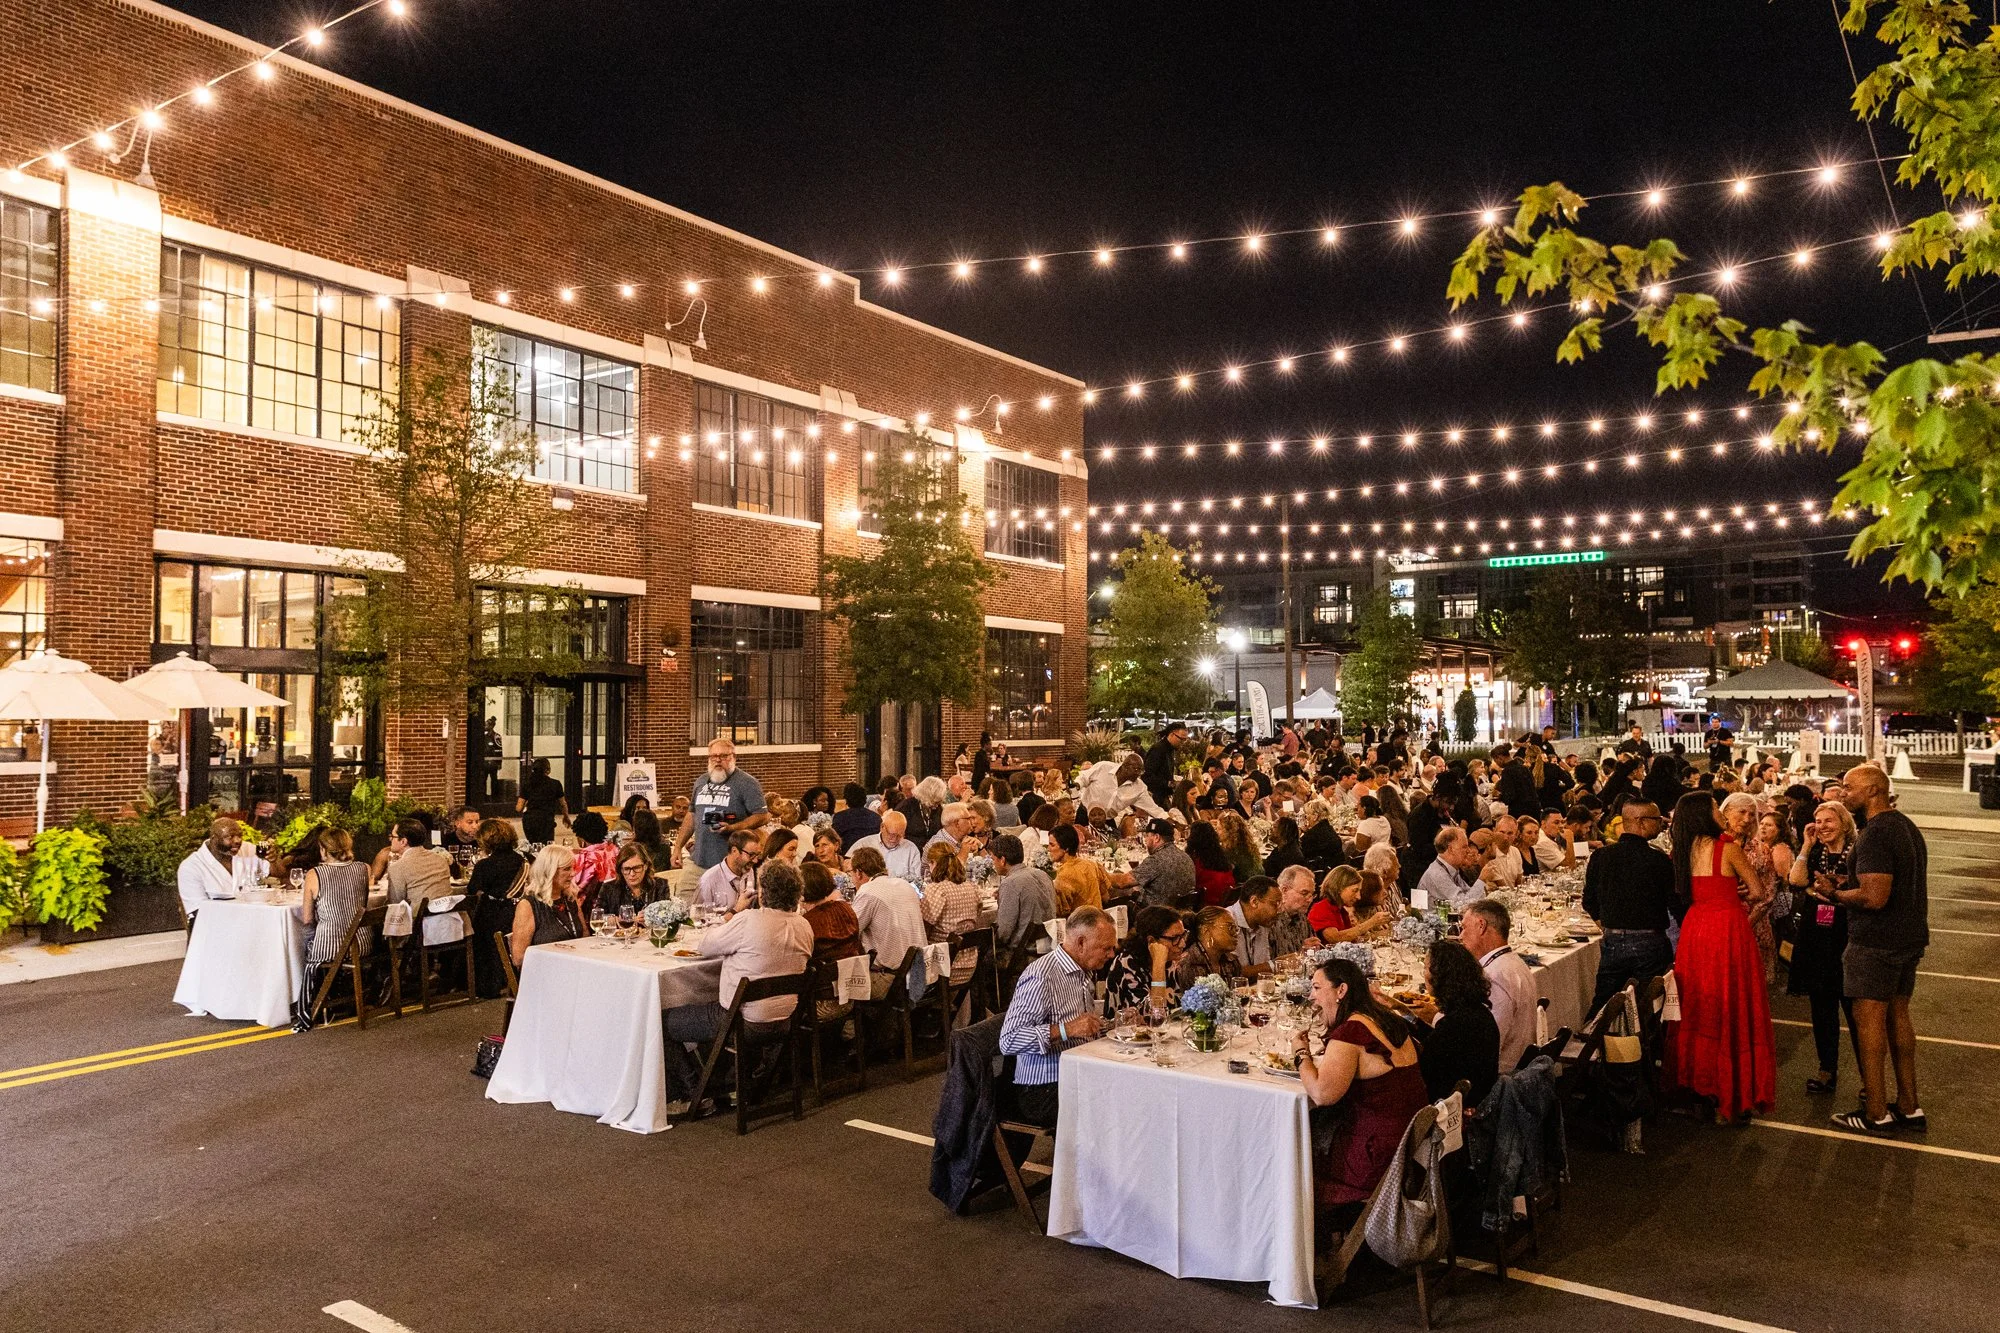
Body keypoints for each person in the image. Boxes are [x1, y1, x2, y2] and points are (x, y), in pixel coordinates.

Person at [663, 857, 813, 1116]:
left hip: (741, 1021)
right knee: (710, 1008)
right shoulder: (804, 926)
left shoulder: (750, 921)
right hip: (785, 1020)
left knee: (662, 1020)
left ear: (763, 891)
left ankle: (692, 1094)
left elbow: (706, 946)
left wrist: (734, 914)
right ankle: (731, 1085)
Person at [1292, 957, 1429, 1234]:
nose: (1312, 997)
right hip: (1409, 1148)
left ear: (1341, 990)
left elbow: (1321, 1095)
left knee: (1294, 1164)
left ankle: (1304, 1252)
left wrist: (1300, 1053)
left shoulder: (1351, 1032)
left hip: (1376, 1159)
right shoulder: (1383, 1018)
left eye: (1317, 988)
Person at [1665, 790, 1777, 1122]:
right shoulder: (1726, 847)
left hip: (1696, 928)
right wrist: (1739, 888)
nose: (1720, 811)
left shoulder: (1683, 851)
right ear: (1704, 813)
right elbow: (1757, 891)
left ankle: (1700, 1082)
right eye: (1715, 807)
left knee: (1700, 1004)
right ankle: (1733, 1086)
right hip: (1727, 927)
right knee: (1733, 1004)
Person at [1829, 765, 1930, 1133]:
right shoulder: (1906, 826)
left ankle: (1875, 1112)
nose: (1842, 793)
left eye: (1848, 787)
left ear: (1873, 791)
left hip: (1876, 943)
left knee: (1869, 1022)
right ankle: (1909, 1105)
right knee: (1898, 1017)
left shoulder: (1875, 834)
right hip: (1908, 938)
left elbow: (1874, 896)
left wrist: (1835, 893)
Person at [997, 907, 1118, 1126]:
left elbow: (1083, 1028)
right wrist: (1065, 1029)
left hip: (1078, 1070)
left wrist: (1116, 1025)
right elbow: (1009, 1040)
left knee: (1131, 1087)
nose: (1111, 955)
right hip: (1044, 1086)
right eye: (1106, 948)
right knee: (1114, 1105)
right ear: (1081, 943)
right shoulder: (1041, 976)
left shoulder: (1082, 969)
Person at [1787, 800, 1860, 1096]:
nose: (1822, 826)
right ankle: (1826, 1070)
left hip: (1847, 932)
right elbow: (1795, 880)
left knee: (1855, 1011)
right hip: (1816, 936)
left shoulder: (1856, 851)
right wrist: (1805, 845)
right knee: (1822, 1008)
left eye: (1829, 820)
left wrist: (1836, 891)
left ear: (1844, 823)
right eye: (1818, 821)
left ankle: (1870, 1079)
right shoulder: (1815, 852)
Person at [1581, 797, 1677, 1014]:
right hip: (1650, 943)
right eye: (1657, 819)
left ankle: (1593, 1043)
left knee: (1604, 1005)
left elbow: (1588, 901)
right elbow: (1674, 903)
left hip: (1613, 941)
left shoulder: (1601, 856)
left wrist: (1607, 925)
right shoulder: (1658, 860)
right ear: (1641, 821)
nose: (1661, 823)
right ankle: (1646, 1047)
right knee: (1651, 1008)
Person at [1396, 938, 1502, 1106]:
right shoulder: (1477, 1012)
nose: (1423, 973)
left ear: (1440, 975)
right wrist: (1406, 1013)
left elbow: (1422, 1068)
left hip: (1458, 1111)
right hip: (1480, 1098)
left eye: (1426, 967)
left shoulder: (1455, 1025)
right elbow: (1436, 1040)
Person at [296, 827, 370, 1029]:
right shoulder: (364, 868)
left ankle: (310, 1003)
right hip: (362, 942)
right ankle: (342, 992)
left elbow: (307, 918)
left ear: (322, 849)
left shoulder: (315, 874)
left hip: (333, 947)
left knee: (303, 942)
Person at [1458, 899, 1537, 1074]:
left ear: (1481, 926)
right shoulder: (1515, 962)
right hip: (1518, 1065)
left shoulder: (1494, 976)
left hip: (1501, 1076)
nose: (1460, 936)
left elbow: (1487, 1042)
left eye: (1464, 928)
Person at [675, 737, 768, 871]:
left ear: (733, 757)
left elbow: (763, 815)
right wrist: (678, 847)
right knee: (684, 892)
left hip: (730, 864)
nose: (718, 760)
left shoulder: (747, 783)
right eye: (714, 756)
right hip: (698, 860)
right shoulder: (701, 781)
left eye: (723, 756)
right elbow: (692, 814)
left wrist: (733, 827)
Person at [849, 844, 928, 997]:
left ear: (858, 873)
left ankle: (853, 1022)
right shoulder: (906, 885)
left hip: (892, 978)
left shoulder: (868, 891)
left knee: (839, 985)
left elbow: (850, 931)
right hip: (921, 973)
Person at [464, 819, 528, 998]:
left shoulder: (484, 865)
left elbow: (472, 889)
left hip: (494, 914)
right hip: (517, 910)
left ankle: (485, 985)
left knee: (476, 931)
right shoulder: (522, 860)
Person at [507, 843, 586, 968]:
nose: (573, 874)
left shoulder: (570, 899)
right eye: (566, 869)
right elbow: (519, 958)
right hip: (545, 971)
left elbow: (584, 936)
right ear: (549, 871)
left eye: (572, 868)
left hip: (573, 966)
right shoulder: (528, 905)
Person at [1103, 905, 1187, 1014]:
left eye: (1183, 935)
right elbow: (1154, 1016)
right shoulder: (1126, 964)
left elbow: (1176, 1009)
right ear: (1151, 941)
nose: (1182, 944)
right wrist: (1158, 965)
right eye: (1175, 938)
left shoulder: (1169, 962)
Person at [990, 833, 1056, 955]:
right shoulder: (1042, 874)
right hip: (1050, 945)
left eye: (993, 859)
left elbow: (1004, 932)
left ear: (1003, 860)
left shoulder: (1011, 883)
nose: (993, 864)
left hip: (1024, 951)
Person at [383, 815, 454, 923]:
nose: (390, 839)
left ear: (403, 841)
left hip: (421, 929)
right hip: (452, 925)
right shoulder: (440, 859)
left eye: (393, 836)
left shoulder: (398, 867)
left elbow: (396, 905)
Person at [176, 816, 246, 921]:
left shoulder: (247, 852)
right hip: (211, 928)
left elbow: (278, 871)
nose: (237, 840)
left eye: (240, 836)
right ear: (214, 839)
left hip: (248, 923)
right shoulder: (191, 867)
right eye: (230, 837)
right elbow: (199, 913)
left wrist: (272, 859)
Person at [1118, 817, 1195, 908]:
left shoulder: (1156, 860)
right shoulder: (1185, 857)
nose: (1145, 840)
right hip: (1182, 914)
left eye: (1147, 836)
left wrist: (1102, 873)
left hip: (1155, 916)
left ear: (1156, 838)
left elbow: (1122, 882)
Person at [920, 842, 985, 943]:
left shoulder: (937, 890)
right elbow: (978, 914)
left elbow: (924, 926)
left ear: (935, 863)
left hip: (943, 953)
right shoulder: (972, 887)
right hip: (969, 954)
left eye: (930, 863)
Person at [1171, 906, 1243, 989]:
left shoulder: (1232, 961)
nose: (1235, 934)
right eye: (1230, 927)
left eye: (1236, 929)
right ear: (1205, 930)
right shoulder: (1187, 964)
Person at [1225, 875, 1284, 976]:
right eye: (1275, 904)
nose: (1279, 911)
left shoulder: (1262, 922)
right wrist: (1276, 964)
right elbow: (1232, 973)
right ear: (1254, 902)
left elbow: (1261, 969)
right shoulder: (1225, 922)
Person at [1417, 826, 1484, 911]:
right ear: (1451, 849)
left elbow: (1469, 895)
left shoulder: (1450, 869)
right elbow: (1464, 906)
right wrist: (1482, 880)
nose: (1468, 851)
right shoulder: (1437, 874)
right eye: (1464, 847)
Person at [849, 810, 924, 884]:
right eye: (891, 834)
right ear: (882, 827)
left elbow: (917, 881)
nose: (894, 839)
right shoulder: (864, 844)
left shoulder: (911, 849)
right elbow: (850, 873)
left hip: (900, 893)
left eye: (899, 836)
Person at [696, 829, 761, 913]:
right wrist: (736, 910)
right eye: (751, 855)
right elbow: (698, 917)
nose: (755, 861)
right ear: (734, 851)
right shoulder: (709, 880)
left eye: (757, 855)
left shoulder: (749, 871)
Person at [596, 842, 664, 916]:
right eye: (626, 869)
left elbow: (668, 917)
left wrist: (650, 919)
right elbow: (598, 917)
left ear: (646, 866)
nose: (632, 874)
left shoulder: (660, 886)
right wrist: (617, 920)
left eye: (637, 868)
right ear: (621, 870)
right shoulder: (608, 888)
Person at [515, 756, 568, 844]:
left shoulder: (527, 784)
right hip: (546, 820)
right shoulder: (555, 784)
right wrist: (565, 816)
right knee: (547, 846)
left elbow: (519, 808)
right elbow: (563, 804)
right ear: (548, 770)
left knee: (533, 846)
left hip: (530, 821)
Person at [1186, 820, 1238, 908]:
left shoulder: (1196, 860)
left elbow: (1190, 882)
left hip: (1206, 904)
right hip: (1225, 901)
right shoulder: (1221, 856)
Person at [1143, 721, 1188, 809]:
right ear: (1171, 734)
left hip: (1163, 796)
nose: (1183, 742)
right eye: (1181, 739)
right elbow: (1147, 776)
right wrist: (1170, 784)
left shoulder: (1170, 750)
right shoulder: (1158, 750)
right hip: (1156, 799)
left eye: (1185, 740)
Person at [831, 782, 881, 853]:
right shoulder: (876, 817)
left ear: (847, 799)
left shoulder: (840, 818)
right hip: (873, 855)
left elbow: (834, 840)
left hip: (848, 856)